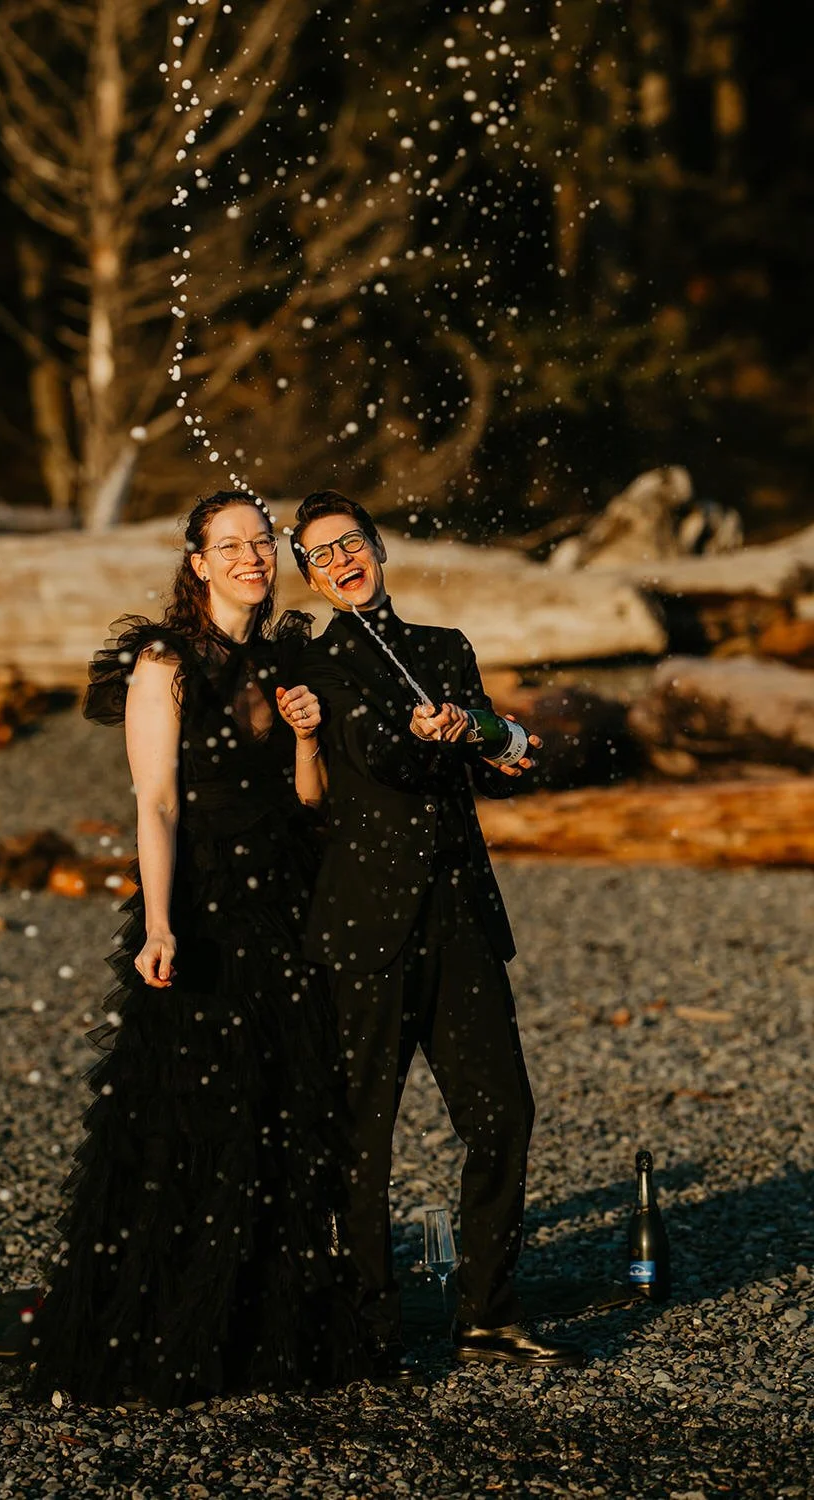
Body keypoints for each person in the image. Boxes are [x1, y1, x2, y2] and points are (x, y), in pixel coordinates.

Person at [27, 490, 366, 1408]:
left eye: (262, 542)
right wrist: (163, 921)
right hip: (205, 903)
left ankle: (260, 1326)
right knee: (190, 1108)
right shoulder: (164, 661)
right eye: (232, 545)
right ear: (199, 563)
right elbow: (158, 801)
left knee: (282, 1101)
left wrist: (306, 737)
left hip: (285, 900)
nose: (253, 557)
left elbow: (309, 801)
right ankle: (166, 1325)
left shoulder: (287, 655)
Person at [290, 489, 585, 1372]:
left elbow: (498, 772)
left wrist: (483, 737)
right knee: (362, 1139)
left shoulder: (445, 649)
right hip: (364, 932)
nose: (342, 560)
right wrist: (428, 736)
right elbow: (377, 757)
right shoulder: (321, 666)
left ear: (378, 549)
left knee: (504, 1116)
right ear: (310, 578)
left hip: (460, 921)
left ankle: (487, 1316)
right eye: (321, 556)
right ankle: (369, 1332)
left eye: (352, 544)